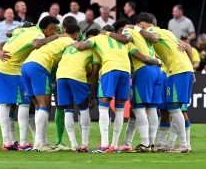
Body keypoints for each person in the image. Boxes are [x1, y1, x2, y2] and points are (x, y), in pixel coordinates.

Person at [74, 24, 160, 153]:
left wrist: (73, 42)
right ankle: (114, 145)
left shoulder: (98, 38)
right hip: (125, 72)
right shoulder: (125, 42)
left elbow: (81, 46)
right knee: (119, 110)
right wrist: (158, 61)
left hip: (110, 70)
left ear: (103, 31)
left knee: (103, 107)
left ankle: (104, 145)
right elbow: (142, 57)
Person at [0, 16, 60, 151]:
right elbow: (36, 44)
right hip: (11, 68)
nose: (55, 33)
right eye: (54, 31)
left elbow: (8, 34)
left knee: (5, 103)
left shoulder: (24, 30)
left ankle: (8, 142)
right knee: (24, 102)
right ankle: (23, 143)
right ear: (48, 29)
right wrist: (55, 37)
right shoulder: (38, 33)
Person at [134, 12, 194, 153]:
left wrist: (136, 29)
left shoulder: (151, 30)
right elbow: (187, 47)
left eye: (139, 26)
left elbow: (153, 37)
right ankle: (162, 143)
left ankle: (183, 144)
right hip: (180, 69)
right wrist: (190, 67)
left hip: (177, 70)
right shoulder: (168, 32)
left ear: (142, 24)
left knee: (173, 107)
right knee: (169, 107)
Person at [21, 23, 80, 152]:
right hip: (39, 66)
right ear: (76, 35)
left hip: (26, 66)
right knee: (45, 105)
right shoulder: (70, 41)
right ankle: (39, 144)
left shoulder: (57, 39)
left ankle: (42, 141)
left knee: (38, 105)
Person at [111, 19, 162, 152]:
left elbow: (126, 39)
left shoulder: (130, 30)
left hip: (144, 70)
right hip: (157, 70)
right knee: (151, 108)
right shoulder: (147, 36)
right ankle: (151, 144)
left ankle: (145, 143)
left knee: (138, 106)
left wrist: (109, 34)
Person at [56, 26, 101, 152]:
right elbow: (93, 73)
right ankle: (84, 144)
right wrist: (92, 95)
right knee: (84, 108)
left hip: (61, 76)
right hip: (76, 76)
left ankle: (74, 144)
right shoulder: (94, 50)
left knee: (68, 110)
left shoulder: (70, 47)